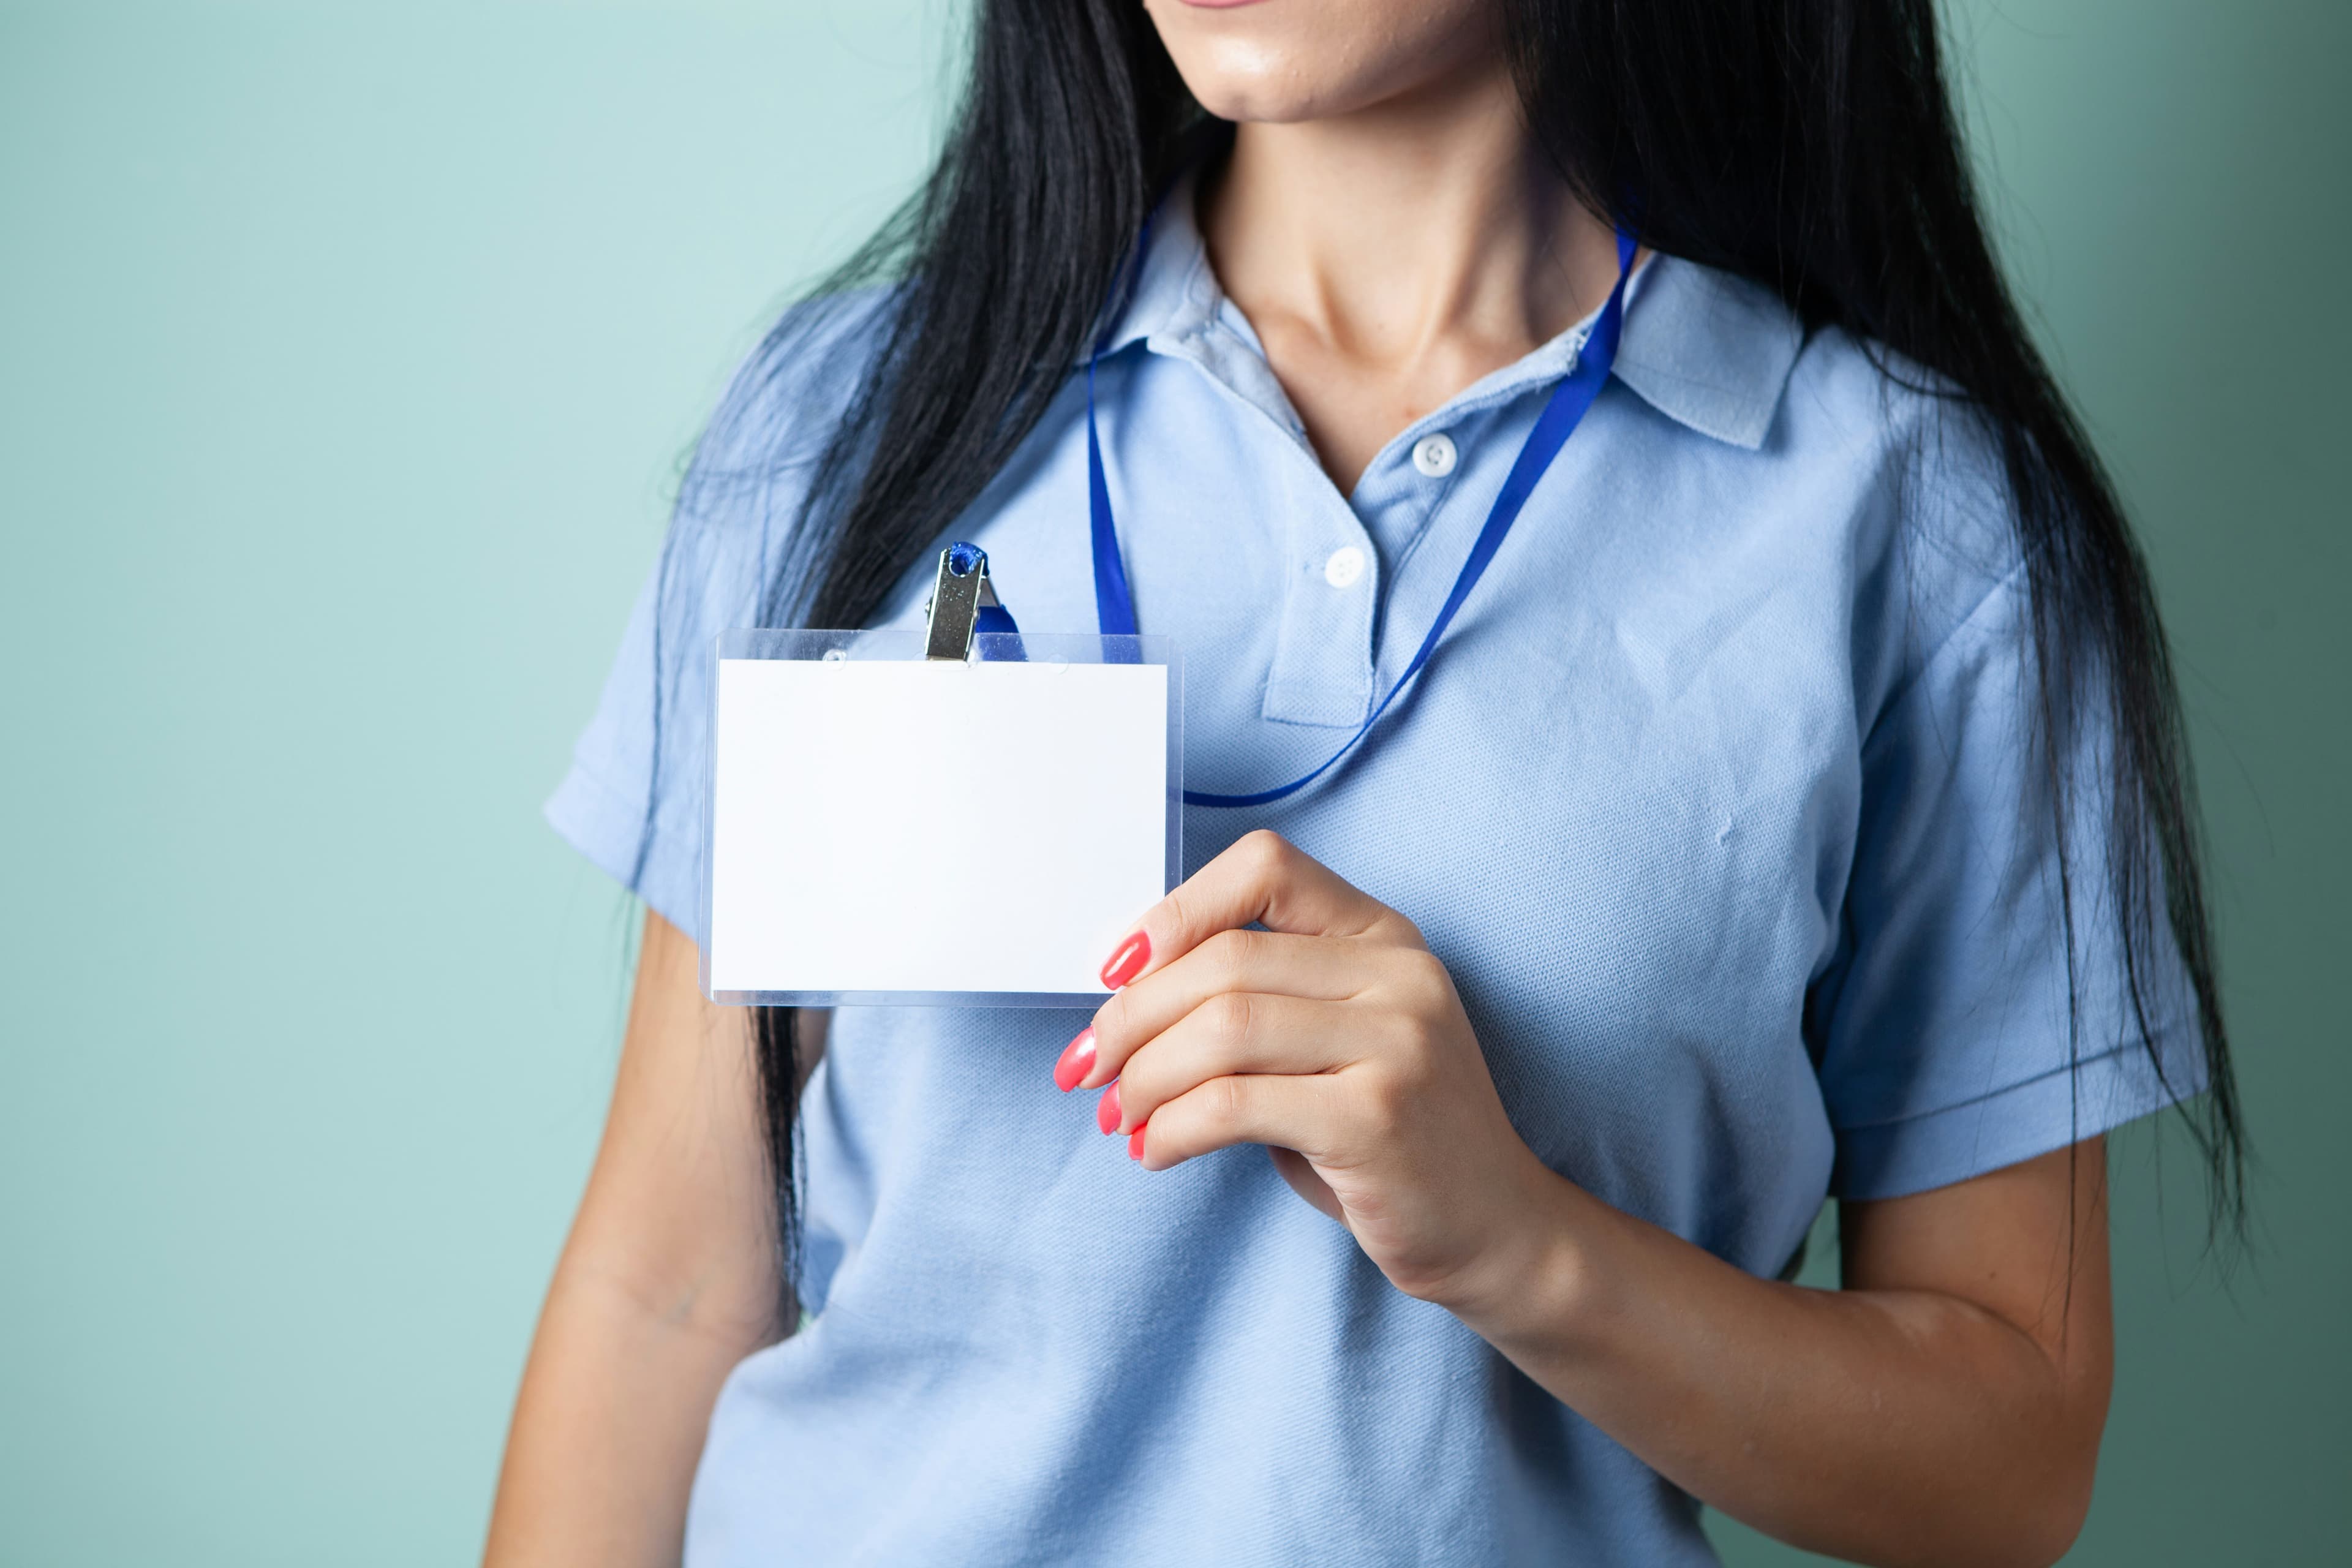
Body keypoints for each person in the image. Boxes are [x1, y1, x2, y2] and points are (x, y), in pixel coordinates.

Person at [484, 1, 2245, 1563]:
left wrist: (1520, 1244)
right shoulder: (841, 423)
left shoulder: (1921, 532)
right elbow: (668, 1287)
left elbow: (2010, 1460)